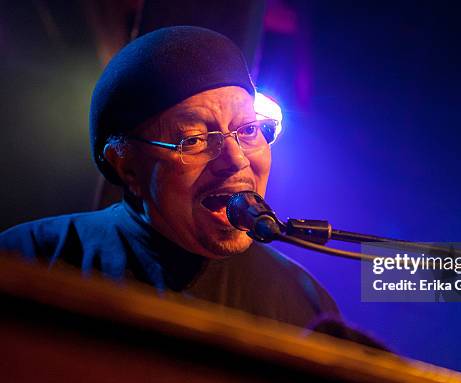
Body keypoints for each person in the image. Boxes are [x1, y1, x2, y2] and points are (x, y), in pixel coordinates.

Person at [0, 26, 340, 329]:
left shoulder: (305, 304)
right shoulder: (32, 259)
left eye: (249, 130)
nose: (235, 160)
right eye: (193, 139)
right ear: (126, 165)